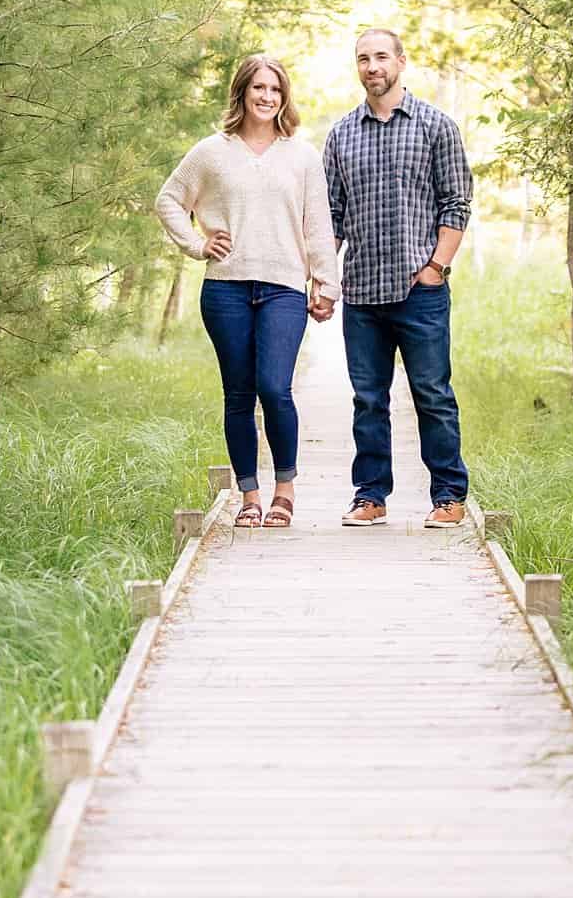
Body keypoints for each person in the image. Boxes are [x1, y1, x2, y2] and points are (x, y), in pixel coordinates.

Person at [155, 54, 340, 529]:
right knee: (238, 394)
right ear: (242, 92)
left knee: (275, 388)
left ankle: (285, 489)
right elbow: (169, 200)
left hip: (283, 289)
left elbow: (318, 226)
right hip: (226, 290)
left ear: (284, 97)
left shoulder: (301, 155)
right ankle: (249, 496)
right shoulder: (211, 152)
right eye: (258, 87)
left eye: (275, 89)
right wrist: (198, 245)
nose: (267, 97)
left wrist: (326, 284)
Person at [321, 28, 473, 528]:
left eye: (381, 57)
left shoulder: (436, 126)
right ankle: (371, 495)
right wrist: (322, 279)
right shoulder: (341, 134)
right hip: (362, 294)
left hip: (419, 291)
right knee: (368, 400)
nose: (372, 67)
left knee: (432, 394)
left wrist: (436, 268)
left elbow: (456, 202)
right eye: (363, 59)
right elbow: (332, 217)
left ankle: (448, 496)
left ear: (401, 62)